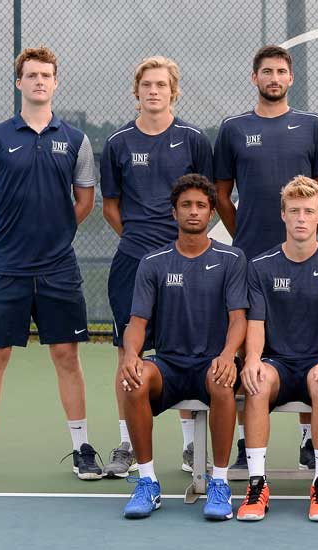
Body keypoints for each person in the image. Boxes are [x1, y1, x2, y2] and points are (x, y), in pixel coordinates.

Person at [0, 45, 101, 485]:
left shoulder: (75, 139)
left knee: (66, 356)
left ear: (56, 83)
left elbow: (85, 201)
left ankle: (82, 448)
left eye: (46, 76)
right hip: (6, 270)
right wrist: (0, 241)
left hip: (58, 269)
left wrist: (54, 234)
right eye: (31, 75)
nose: (39, 82)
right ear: (19, 82)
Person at [214, 45, 318, 469]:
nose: (274, 78)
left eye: (281, 71)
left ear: (291, 78)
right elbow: (222, 195)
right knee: (251, 346)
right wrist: (242, 231)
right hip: (250, 255)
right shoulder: (232, 129)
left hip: (301, 256)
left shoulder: (312, 126)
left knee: (308, 338)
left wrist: (306, 229)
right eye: (267, 72)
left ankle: (307, 439)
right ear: (254, 78)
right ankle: (247, 444)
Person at [99, 56, 214, 478]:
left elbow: (207, 200)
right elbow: (110, 206)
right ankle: (127, 444)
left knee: (183, 349)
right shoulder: (118, 143)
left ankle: (189, 448)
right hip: (132, 264)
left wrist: (181, 246)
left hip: (186, 263)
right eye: (146, 84)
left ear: (173, 91)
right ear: (137, 92)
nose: (153, 91)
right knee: (128, 353)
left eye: (161, 85)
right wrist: (138, 242)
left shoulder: (193, 140)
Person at [119, 175, 247, 520]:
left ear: (211, 212)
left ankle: (219, 483)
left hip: (211, 364)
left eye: (201, 206)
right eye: (186, 205)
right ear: (174, 212)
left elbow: (239, 320)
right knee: (132, 379)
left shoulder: (232, 259)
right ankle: (147, 482)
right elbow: (137, 324)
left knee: (223, 381)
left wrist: (227, 355)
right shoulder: (153, 262)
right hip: (169, 366)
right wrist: (131, 355)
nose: (193, 212)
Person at [237, 177, 318, 522]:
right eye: (294, 211)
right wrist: (254, 360)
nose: (301, 218)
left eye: (308, 211)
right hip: (277, 362)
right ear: (283, 215)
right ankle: (256, 484)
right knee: (256, 381)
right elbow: (255, 324)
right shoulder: (260, 266)